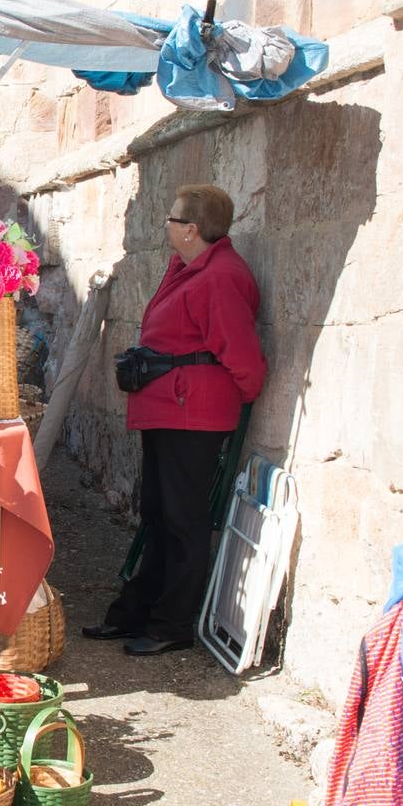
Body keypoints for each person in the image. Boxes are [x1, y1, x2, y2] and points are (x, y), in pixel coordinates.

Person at [83, 184, 266, 656]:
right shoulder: (190, 267)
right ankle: (138, 612)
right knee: (160, 515)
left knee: (183, 520)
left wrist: (237, 396)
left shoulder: (220, 276)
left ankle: (172, 624)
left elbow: (240, 352)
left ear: (190, 230)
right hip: (171, 408)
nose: (165, 225)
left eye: (172, 219)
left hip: (194, 414)